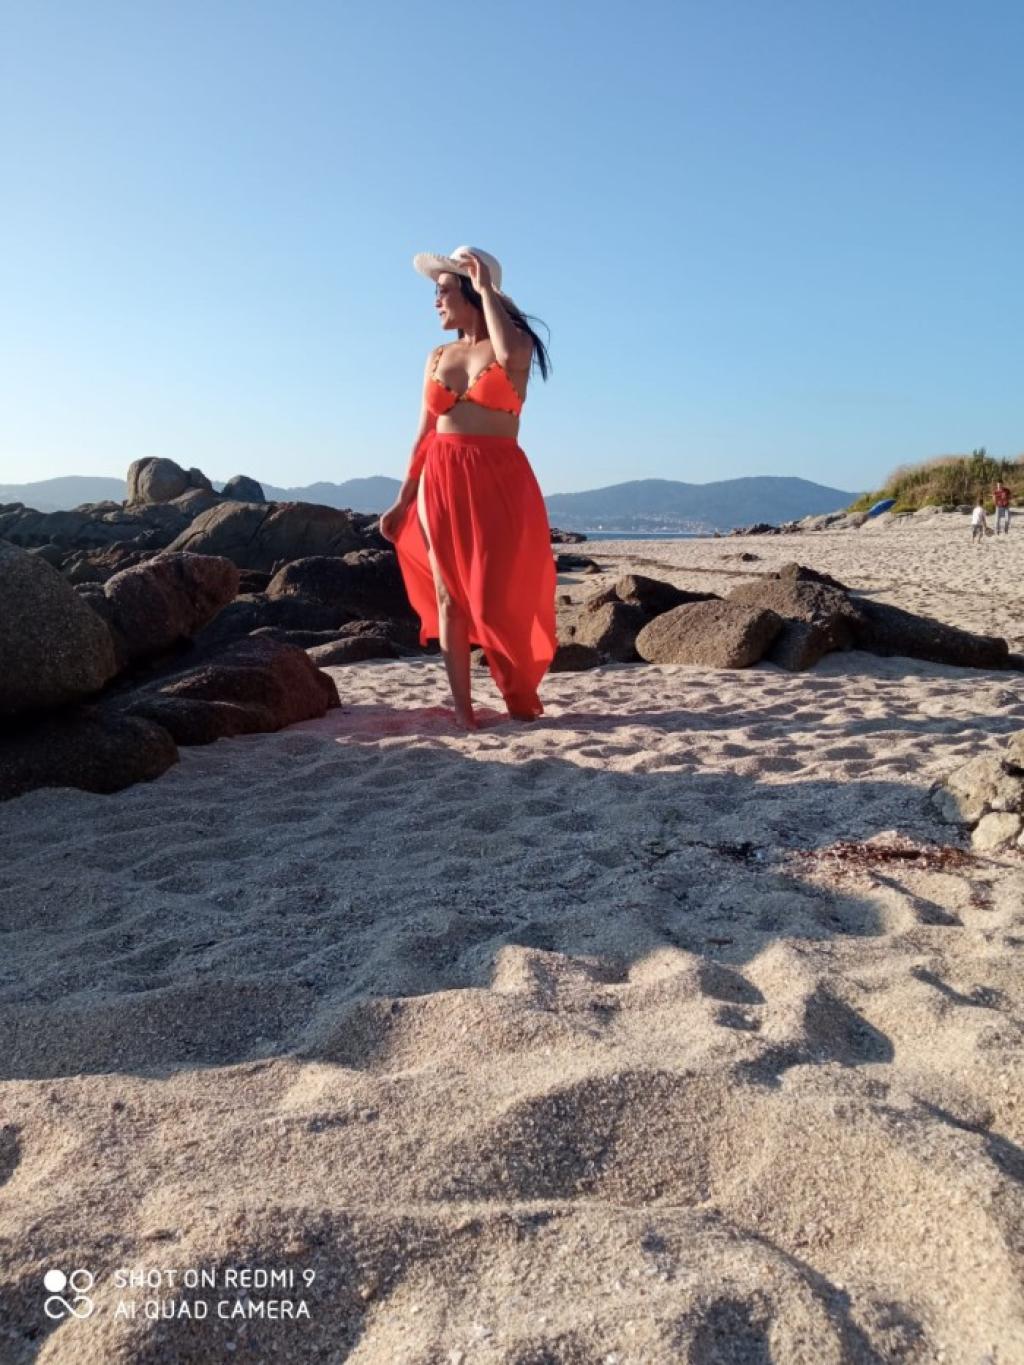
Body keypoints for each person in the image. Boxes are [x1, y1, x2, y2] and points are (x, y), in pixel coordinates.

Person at [378, 246, 557, 730]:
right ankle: (463, 709)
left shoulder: (514, 344)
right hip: (441, 478)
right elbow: (423, 434)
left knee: (494, 600)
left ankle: (517, 691)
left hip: (499, 480)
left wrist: (486, 288)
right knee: (449, 598)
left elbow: (509, 355)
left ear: (473, 292)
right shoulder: (437, 356)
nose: (435, 301)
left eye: (443, 290)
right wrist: (403, 498)